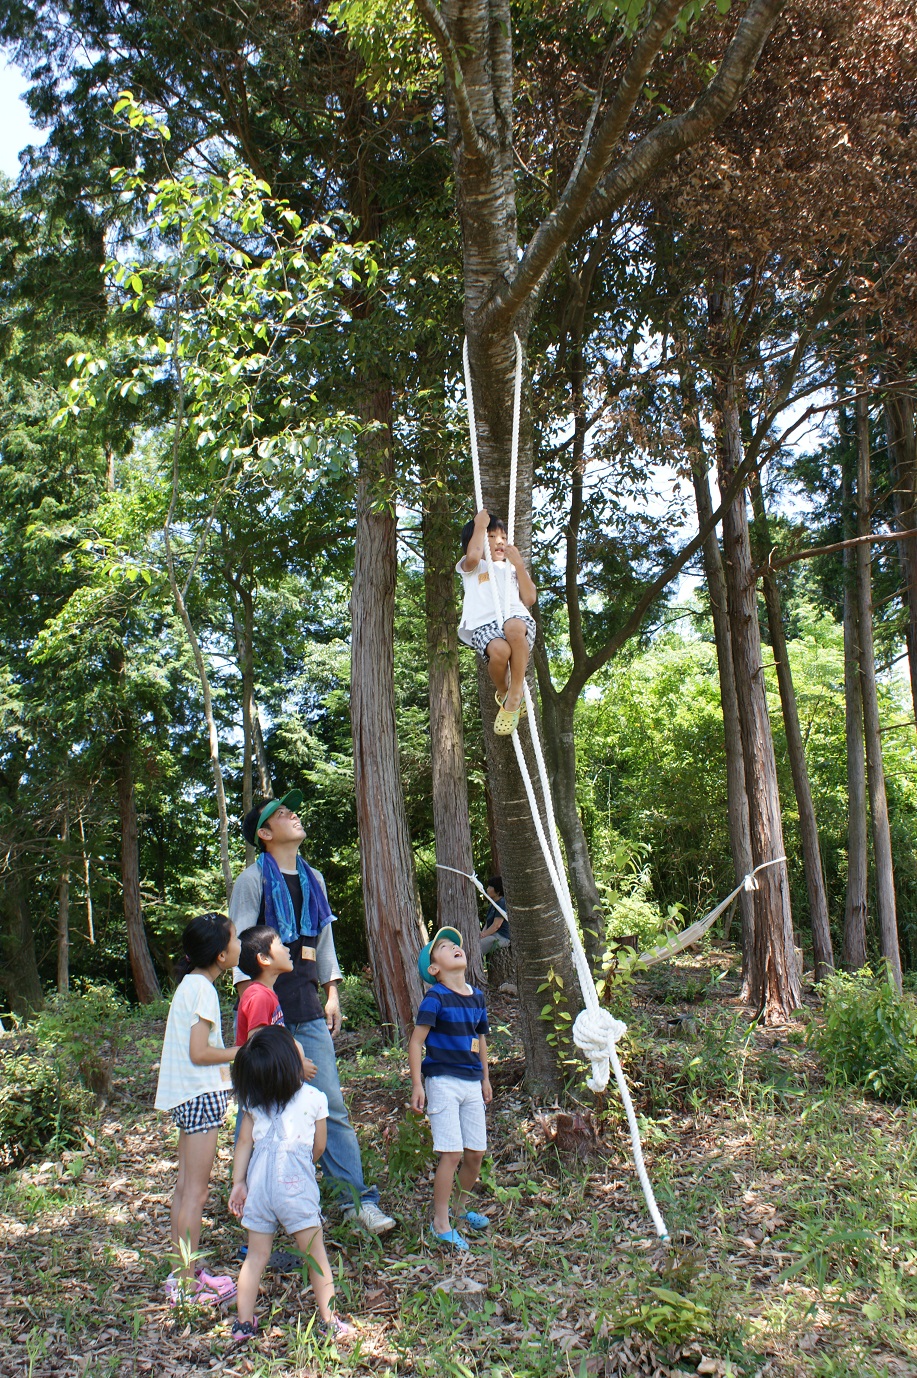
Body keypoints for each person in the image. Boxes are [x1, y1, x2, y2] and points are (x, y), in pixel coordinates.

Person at [228, 791, 396, 1235]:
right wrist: (255, 1016)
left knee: (330, 1105)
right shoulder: (252, 881)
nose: (293, 815)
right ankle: (255, 1206)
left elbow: (323, 943)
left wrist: (333, 993)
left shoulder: (314, 878)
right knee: (260, 1108)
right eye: (282, 814)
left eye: (291, 810)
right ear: (265, 834)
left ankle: (356, 1203)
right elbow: (242, 950)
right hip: (265, 1014)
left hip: (305, 1003)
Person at [229, 1025, 355, 1345]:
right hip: (295, 1183)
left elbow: (244, 1143)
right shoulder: (314, 1097)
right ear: (290, 1063)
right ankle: (329, 1319)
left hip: (258, 1184)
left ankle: (243, 1323)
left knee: (256, 1256)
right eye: (296, 1047)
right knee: (315, 1254)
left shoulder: (254, 1103)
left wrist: (238, 1183)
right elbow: (320, 1147)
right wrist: (303, 1168)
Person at [154, 913, 241, 1304]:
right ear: (222, 955)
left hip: (188, 1096)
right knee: (197, 1193)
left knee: (185, 1189)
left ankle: (182, 1274)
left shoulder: (190, 985)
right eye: (235, 939)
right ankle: (187, 1287)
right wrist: (245, 1051)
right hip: (201, 1096)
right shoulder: (203, 989)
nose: (240, 945)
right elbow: (200, 1052)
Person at [408, 927, 492, 1251]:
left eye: (456, 945)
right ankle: (441, 1223)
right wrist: (418, 1083)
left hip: (472, 1082)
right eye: (444, 947)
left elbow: (481, 1039)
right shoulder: (436, 997)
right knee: (452, 1153)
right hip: (442, 1080)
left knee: (475, 1154)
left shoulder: (477, 997)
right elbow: (417, 1041)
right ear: (434, 968)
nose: (455, 948)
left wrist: (485, 1078)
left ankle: (459, 1210)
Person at [457, 509, 537, 735]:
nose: (499, 541)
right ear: (477, 541)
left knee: (512, 626)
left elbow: (530, 598)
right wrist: (479, 524)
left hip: (516, 620)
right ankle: (504, 690)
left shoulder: (511, 568)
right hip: (486, 627)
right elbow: (473, 555)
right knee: (499, 651)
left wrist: (520, 565)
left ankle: (515, 694)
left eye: (502, 537)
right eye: (491, 537)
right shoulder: (473, 568)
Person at [479, 875, 510, 956]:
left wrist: (484, 935)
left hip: (502, 937)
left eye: (490, 887)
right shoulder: (492, 904)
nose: (487, 889)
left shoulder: (502, 903)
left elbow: (496, 925)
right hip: (492, 934)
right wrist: (482, 934)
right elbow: (487, 923)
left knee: (478, 947)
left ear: (498, 891)